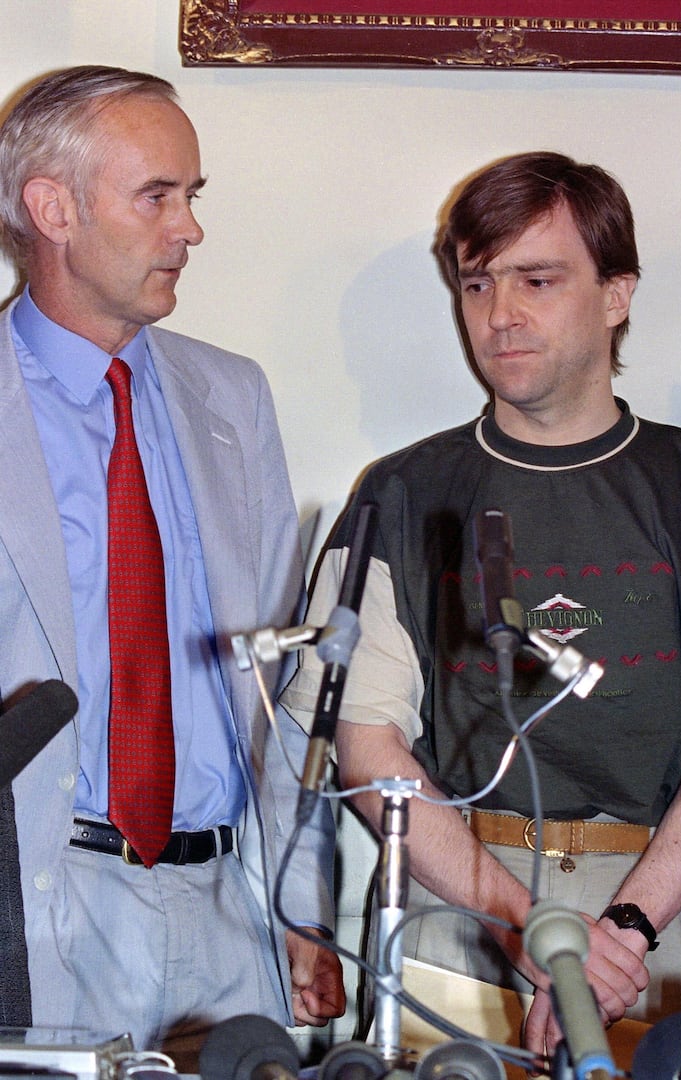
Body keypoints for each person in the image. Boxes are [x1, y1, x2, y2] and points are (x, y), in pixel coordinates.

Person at [282, 151, 681, 1061]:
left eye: (538, 279)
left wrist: (624, 932)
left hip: (650, 925)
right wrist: (519, 920)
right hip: (455, 911)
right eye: (477, 284)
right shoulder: (400, 493)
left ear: (616, 294)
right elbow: (366, 741)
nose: (500, 315)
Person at [0, 65, 344, 1061]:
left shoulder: (231, 399)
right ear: (51, 207)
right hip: (42, 907)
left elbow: (289, 679)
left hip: (227, 918)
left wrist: (302, 904)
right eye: (158, 195)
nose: (189, 228)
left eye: (190, 198)